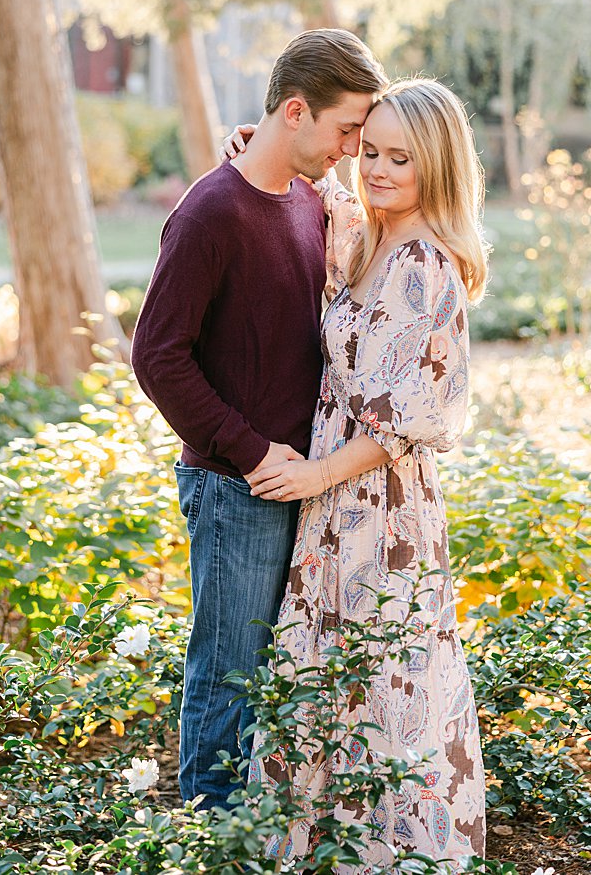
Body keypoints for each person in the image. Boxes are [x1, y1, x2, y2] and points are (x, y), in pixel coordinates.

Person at [229, 79, 489, 867]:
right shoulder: (373, 236)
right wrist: (260, 153)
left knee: (382, 687)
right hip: (337, 509)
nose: (375, 170)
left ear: (436, 166)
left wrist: (318, 475)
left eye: (399, 159)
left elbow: (405, 417)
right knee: (335, 681)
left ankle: (390, 854)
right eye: (369, 150)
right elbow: (323, 201)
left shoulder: (424, 264)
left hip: (378, 508)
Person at [131, 29, 388, 809]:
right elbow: (157, 356)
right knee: (228, 664)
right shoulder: (210, 211)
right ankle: (212, 825)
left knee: (272, 668)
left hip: (299, 482)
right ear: (298, 111)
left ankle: (256, 820)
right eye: (348, 130)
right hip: (236, 485)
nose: (354, 149)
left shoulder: (309, 200)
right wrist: (250, 453)